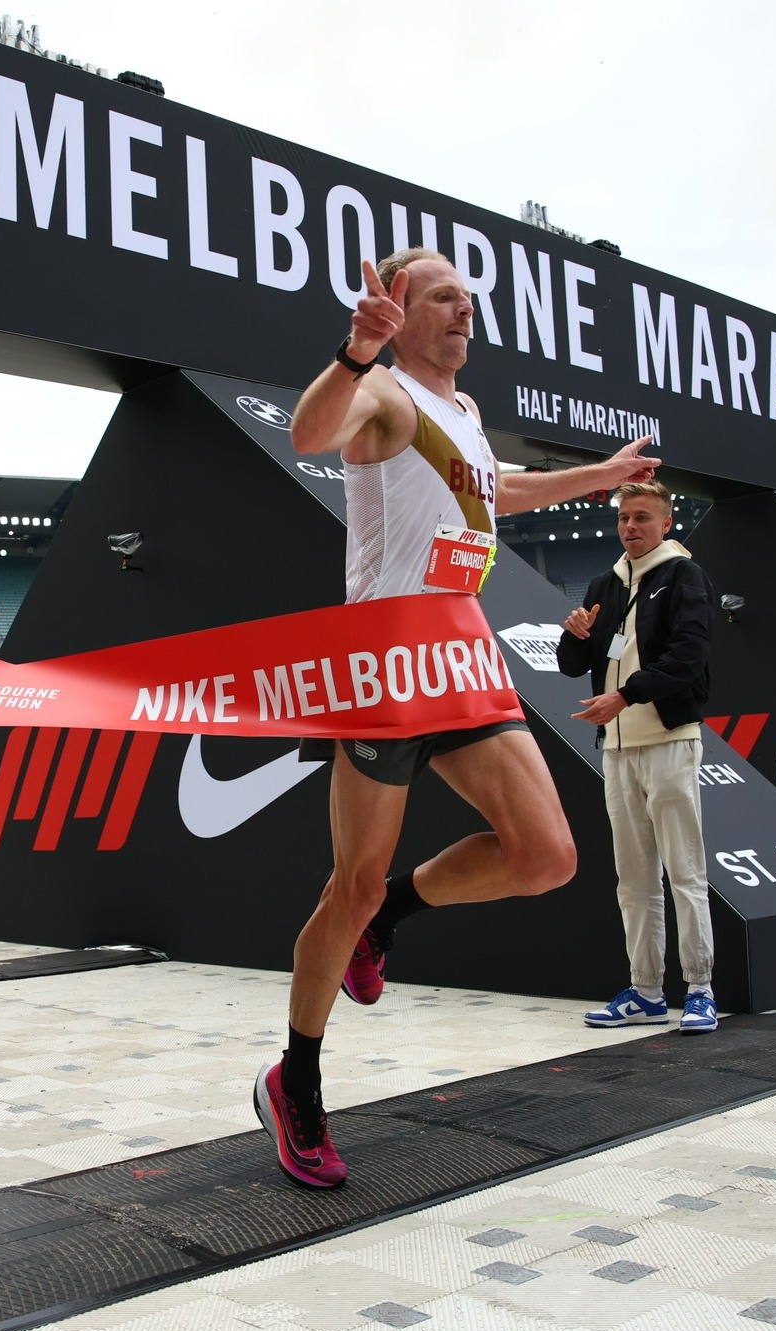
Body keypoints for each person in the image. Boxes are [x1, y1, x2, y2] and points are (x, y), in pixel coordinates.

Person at [260, 247, 661, 1189]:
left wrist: (595, 474)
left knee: (545, 855)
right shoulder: (385, 396)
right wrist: (356, 351)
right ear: (399, 309)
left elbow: (495, 491)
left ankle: (389, 919)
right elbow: (310, 435)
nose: (463, 311)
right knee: (345, 885)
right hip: (387, 663)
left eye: (467, 298)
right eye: (442, 296)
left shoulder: (465, 413)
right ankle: (298, 1080)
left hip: (459, 647)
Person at [557, 480, 716, 1034]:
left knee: (685, 871)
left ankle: (699, 989)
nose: (631, 527)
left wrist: (627, 694)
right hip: (619, 750)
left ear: (665, 522)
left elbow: (689, 656)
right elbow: (574, 665)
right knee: (634, 878)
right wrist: (574, 635)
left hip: (670, 742)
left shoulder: (683, 575)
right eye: (625, 517)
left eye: (642, 517)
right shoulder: (606, 582)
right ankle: (647, 990)